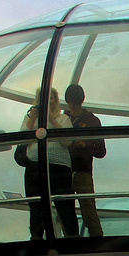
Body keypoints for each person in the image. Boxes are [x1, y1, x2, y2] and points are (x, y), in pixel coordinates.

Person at [15, 88, 75, 243]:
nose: (48, 101)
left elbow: (68, 141)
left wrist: (52, 120)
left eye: (52, 98)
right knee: (36, 203)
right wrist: (30, 121)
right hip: (35, 167)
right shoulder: (30, 119)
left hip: (59, 168)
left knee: (65, 204)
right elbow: (21, 141)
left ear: (56, 100)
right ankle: (36, 237)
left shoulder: (63, 119)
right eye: (44, 98)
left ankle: (72, 237)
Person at [65, 83, 106, 238]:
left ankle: (72, 242)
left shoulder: (62, 120)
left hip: (66, 170)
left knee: (67, 210)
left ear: (69, 100)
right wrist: (87, 146)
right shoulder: (92, 121)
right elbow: (101, 151)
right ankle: (97, 242)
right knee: (88, 210)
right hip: (82, 171)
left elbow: (101, 151)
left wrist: (84, 145)